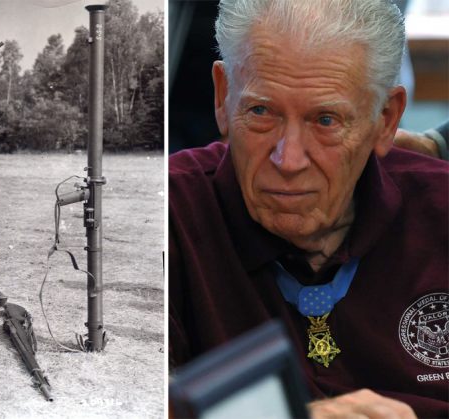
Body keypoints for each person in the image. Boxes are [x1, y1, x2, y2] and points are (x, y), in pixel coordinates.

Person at [168, 0, 448, 417]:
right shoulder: (173, 212)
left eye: (326, 120)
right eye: (261, 111)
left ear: (386, 119)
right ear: (224, 96)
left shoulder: (438, 207)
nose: (289, 159)